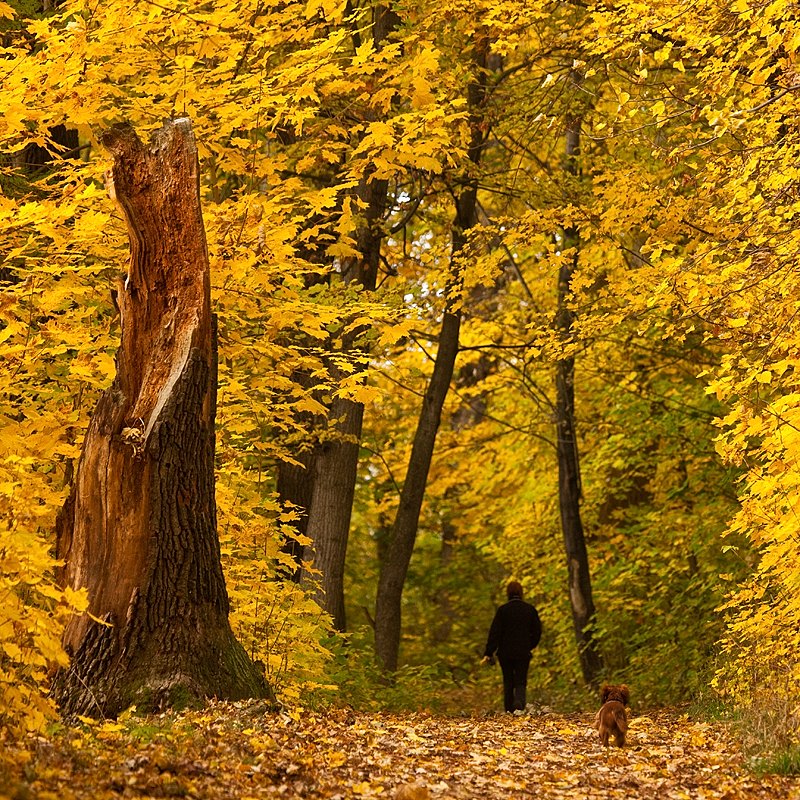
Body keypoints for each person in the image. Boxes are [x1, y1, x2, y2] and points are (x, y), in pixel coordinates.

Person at [482, 580, 542, 713]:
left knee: (508, 680)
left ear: (508, 593)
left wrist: (489, 651)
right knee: (521, 679)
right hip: (523, 652)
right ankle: (519, 702)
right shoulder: (530, 610)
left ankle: (509, 710)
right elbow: (537, 632)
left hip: (505, 653)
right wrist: (529, 645)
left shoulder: (503, 610)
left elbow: (495, 633)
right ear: (521, 592)